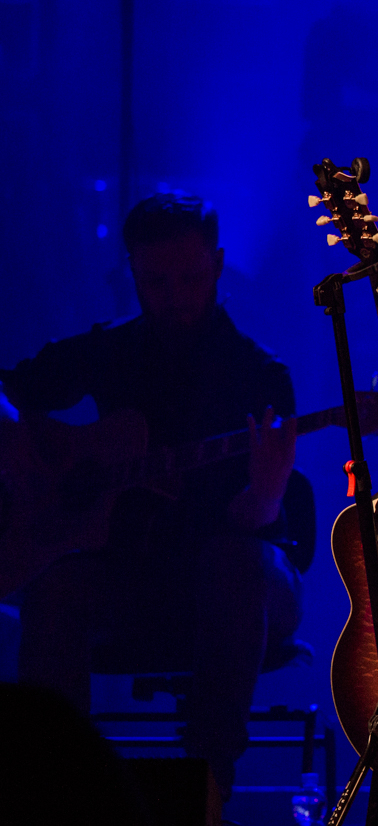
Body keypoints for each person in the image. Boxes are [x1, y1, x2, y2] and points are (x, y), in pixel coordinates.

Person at [2, 194, 306, 800]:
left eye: (190, 278)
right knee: (55, 586)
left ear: (217, 266)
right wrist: (32, 470)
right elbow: (9, 392)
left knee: (236, 563)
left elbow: (263, 523)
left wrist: (264, 499)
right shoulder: (110, 349)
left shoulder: (257, 373)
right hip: (131, 575)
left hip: (241, 586)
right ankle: (54, 793)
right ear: (132, 273)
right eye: (155, 281)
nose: (173, 296)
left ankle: (209, 785)